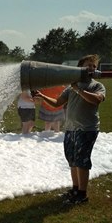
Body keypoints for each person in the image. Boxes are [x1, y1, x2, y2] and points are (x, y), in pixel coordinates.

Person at [33, 54, 106, 205]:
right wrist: (41, 96)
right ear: (80, 68)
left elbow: (96, 99)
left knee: (82, 161)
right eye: (88, 65)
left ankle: (82, 194)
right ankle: (75, 189)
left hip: (87, 129)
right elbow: (57, 103)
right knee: (72, 160)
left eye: (94, 66)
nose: (91, 68)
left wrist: (78, 89)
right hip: (71, 129)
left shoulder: (97, 86)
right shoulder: (71, 87)